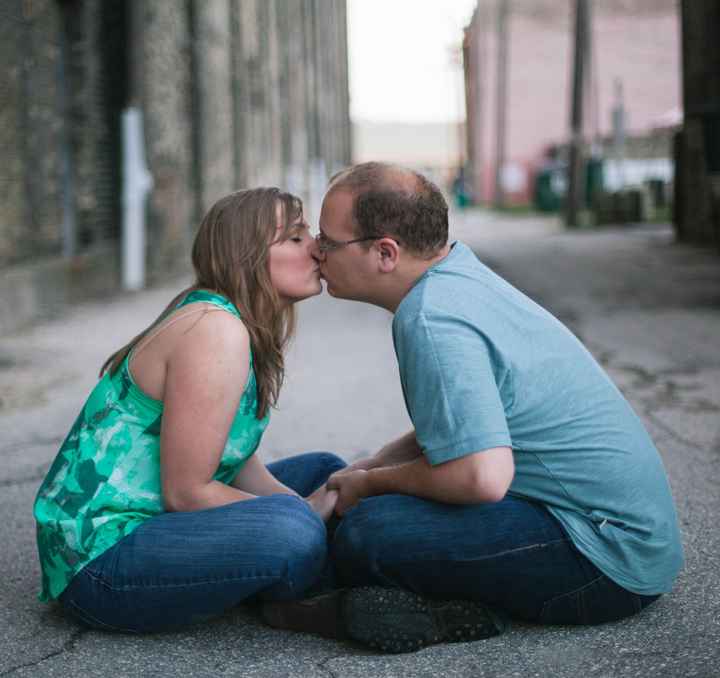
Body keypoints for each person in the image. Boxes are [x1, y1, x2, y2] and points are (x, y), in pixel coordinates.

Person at [262, 162, 684, 653]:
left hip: (605, 562)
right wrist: (373, 465)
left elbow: (480, 476)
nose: (315, 249)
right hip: (616, 535)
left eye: (328, 241)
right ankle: (406, 597)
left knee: (367, 532)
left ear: (385, 253)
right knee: (342, 482)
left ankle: (352, 600)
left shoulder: (434, 320)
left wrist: (374, 483)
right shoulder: (457, 274)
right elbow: (459, 423)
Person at [33, 188, 345, 633]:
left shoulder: (235, 322)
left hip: (155, 524)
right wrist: (304, 514)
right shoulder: (214, 330)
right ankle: (311, 591)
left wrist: (302, 501)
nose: (315, 247)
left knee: (325, 471)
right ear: (249, 256)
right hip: (101, 563)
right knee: (295, 528)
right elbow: (187, 492)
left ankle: (297, 574)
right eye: (295, 238)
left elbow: (231, 459)